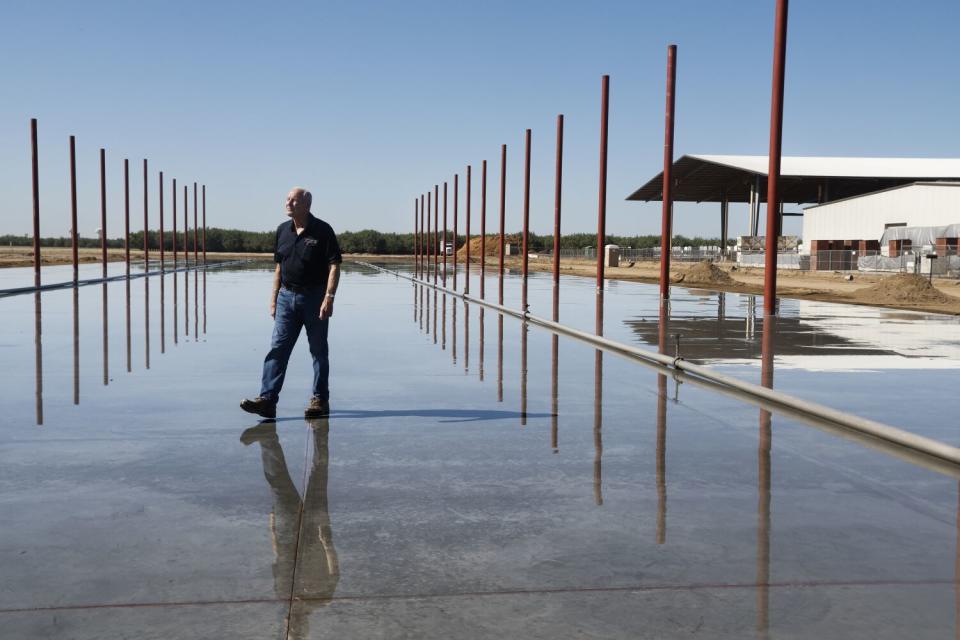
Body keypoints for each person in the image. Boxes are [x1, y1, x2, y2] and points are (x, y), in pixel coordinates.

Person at [241, 187, 342, 419]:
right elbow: (279, 267)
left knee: (318, 351)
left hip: (314, 298)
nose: (288, 203)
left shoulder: (323, 230)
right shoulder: (282, 231)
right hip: (286, 298)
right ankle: (267, 400)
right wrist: (274, 298)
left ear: (306, 205)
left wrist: (329, 297)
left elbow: (334, 265)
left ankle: (320, 400)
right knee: (278, 349)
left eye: (293, 200)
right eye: (287, 199)